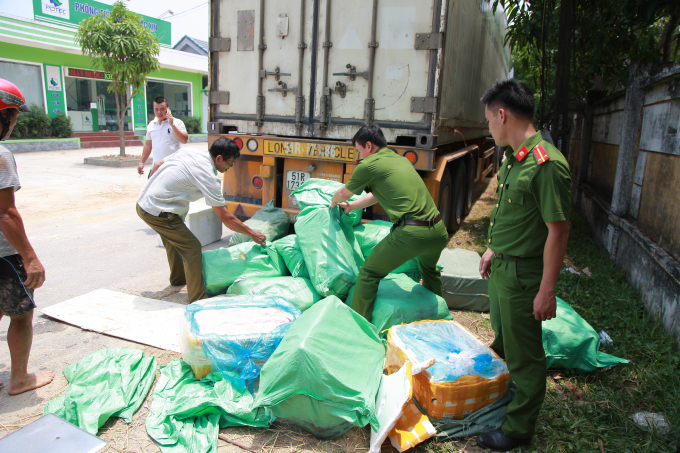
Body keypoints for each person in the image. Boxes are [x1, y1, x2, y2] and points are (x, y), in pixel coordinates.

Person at [476, 80, 571, 451]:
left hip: (523, 277)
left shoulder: (545, 165)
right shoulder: (516, 158)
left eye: (488, 120)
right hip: (502, 269)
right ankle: (503, 395)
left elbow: (558, 231)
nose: (488, 128)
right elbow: (513, 217)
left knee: (526, 356)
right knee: (504, 339)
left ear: (503, 115)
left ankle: (517, 429)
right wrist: (492, 249)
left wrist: (547, 290)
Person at [329, 125, 448, 320]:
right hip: (438, 231)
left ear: (369, 146)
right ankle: (439, 321)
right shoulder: (400, 160)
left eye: (359, 151)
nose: (360, 156)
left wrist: (332, 201)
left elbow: (342, 193)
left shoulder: (368, 165)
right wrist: (352, 206)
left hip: (411, 234)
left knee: (369, 272)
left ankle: (360, 327)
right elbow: (376, 194)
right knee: (429, 271)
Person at [137, 137, 266, 302]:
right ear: (219, 158)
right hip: (158, 211)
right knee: (192, 247)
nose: (230, 167)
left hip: (145, 203)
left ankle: (179, 279)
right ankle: (197, 297)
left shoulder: (190, 152)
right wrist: (252, 233)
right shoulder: (208, 177)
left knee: (174, 240)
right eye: (230, 162)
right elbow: (226, 217)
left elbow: (156, 165)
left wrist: (152, 190)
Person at [0, 78, 54, 395]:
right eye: (14, 116)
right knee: (21, 314)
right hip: (4, 255)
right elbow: (6, 214)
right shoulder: (2, 156)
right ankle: (19, 378)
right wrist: (30, 259)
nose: (15, 123)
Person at [138, 97, 188, 177]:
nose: (159, 112)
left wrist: (172, 125)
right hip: (156, 167)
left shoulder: (178, 123)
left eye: (162, 109)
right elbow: (148, 144)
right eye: (156, 109)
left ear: (168, 109)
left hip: (173, 168)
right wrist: (141, 162)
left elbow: (184, 140)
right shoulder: (151, 125)